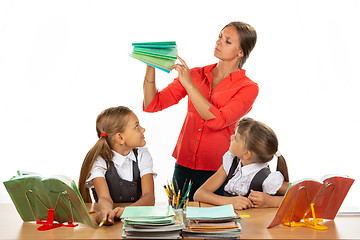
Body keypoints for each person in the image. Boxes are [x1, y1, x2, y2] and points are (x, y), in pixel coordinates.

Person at [143, 21, 259, 200]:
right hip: (183, 165)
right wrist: (151, 65)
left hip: (218, 171)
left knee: (214, 226)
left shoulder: (248, 87)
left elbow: (218, 120)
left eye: (228, 41)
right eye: (220, 36)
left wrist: (189, 85)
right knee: (179, 220)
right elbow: (153, 104)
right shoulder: (196, 74)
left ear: (241, 52)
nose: (219, 42)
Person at [78, 106, 156, 225]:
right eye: (136, 126)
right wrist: (106, 211)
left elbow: (149, 197)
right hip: (113, 223)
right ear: (120, 137)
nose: (143, 129)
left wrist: (128, 211)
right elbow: (104, 198)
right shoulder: (100, 161)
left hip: (138, 222)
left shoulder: (142, 155)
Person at [193, 118, 289, 210]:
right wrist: (229, 202)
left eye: (236, 139)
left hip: (254, 225)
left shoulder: (268, 179)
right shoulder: (231, 163)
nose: (231, 137)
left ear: (246, 154)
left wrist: (271, 201)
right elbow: (199, 194)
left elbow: (303, 193)